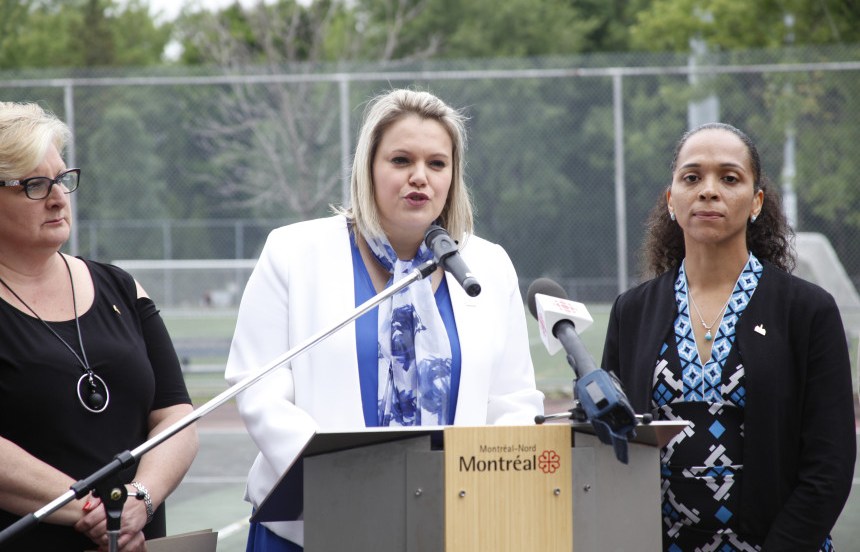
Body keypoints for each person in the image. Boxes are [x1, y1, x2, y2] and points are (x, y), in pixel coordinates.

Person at [225, 88, 544, 550]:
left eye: (437, 164)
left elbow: (513, 401)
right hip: (315, 524)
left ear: (453, 177)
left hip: (451, 525)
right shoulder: (293, 252)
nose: (420, 177)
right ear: (368, 168)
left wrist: (483, 490)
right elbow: (259, 390)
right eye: (400, 161)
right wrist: (351, 483)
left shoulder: (488, 266)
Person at [601, 122, 856, 550]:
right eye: (692, 177)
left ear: (757, 202)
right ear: (671, 200)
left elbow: (829, 465)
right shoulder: (633, 312)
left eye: (729, 177)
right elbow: (613, 448)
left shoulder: (807, 310)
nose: (708, 190)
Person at [0, 102, 199, 551]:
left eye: (62, 179)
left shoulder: (122, 287)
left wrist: (140, 501)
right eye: (33, 185)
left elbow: (176, 417)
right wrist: (93, 512)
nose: (57, 197)